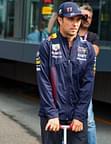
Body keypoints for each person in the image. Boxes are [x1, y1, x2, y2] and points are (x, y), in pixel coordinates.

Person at [36, 2, 95, 144]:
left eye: (78, 20)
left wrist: (80, 116)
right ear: (60, 20)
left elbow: (88, 85)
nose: (75, 24)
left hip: (77, 117)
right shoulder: (47, 46)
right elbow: (44, 82)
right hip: (52, 116)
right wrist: (52, 114)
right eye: (70, 19)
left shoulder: (87, 49)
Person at [79, 3, 100, 144]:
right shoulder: (69, 33)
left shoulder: (93, 36)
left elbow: (94, 52)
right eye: (84, 16)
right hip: (66, 83)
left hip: (85, 84)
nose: (87, 19)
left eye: (90, 17)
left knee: (89, 121)